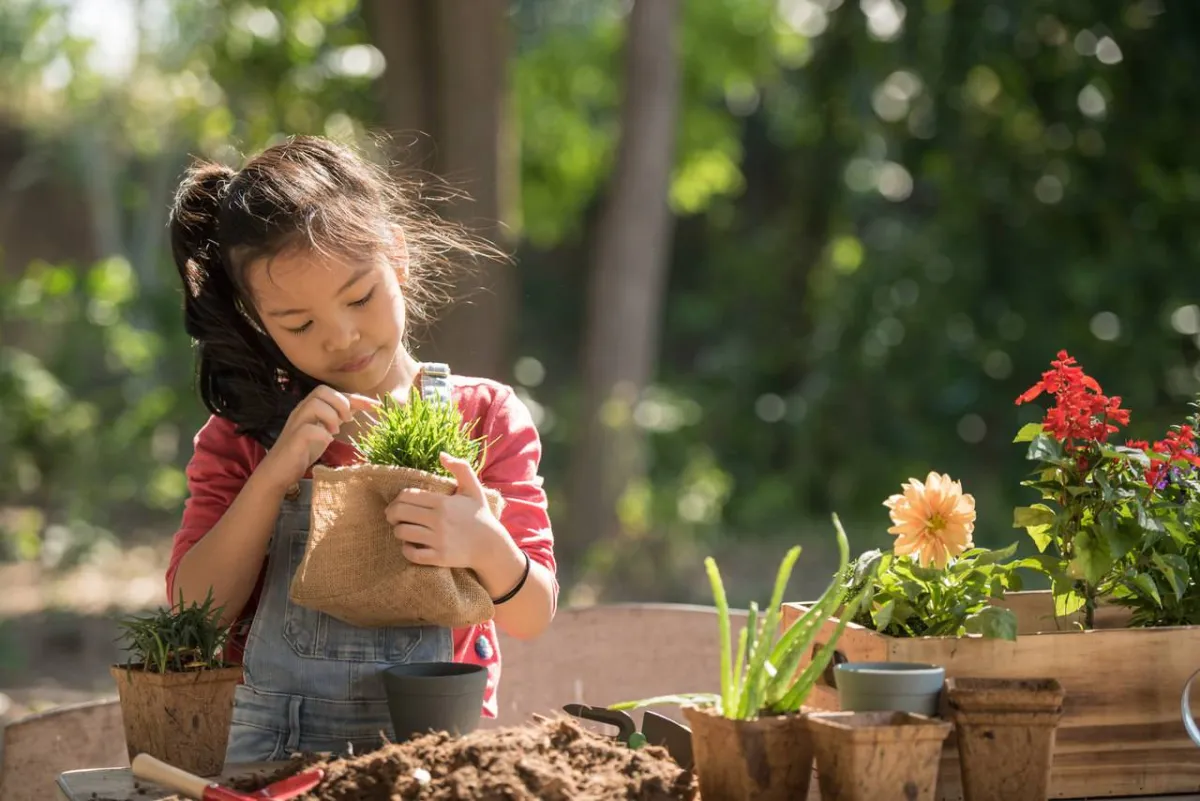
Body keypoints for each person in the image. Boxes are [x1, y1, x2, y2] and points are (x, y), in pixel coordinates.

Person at [163, 135, 557, 762]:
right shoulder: (242, 435)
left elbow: (533, 615)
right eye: (299, 324)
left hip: (436, 756)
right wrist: (272, 479)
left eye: (359, 298)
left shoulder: (483, 416)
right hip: (272, 760)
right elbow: (195, 614)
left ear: (396, 258)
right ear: (259, 320)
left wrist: (483, 542)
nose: (342, 336)